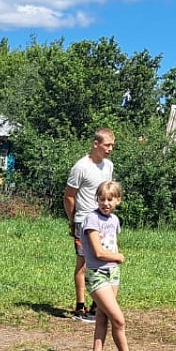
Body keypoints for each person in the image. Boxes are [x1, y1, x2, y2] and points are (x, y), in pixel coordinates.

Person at [81, 180, 155, 351]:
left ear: (118, 201)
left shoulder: (114, 220)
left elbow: (112, 243)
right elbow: (98, 251)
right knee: (119, 321)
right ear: (97, 199)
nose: (106, 203)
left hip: (113, 274)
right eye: (102, 199)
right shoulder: (91, 220)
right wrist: (118, 257)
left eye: (110, 199)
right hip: (97, 274)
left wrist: (115, 259)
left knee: (102, 318)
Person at [64, 128, 117, 322]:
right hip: (84, 221)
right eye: (107, 145)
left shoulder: (108, 166)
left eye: (112, 146)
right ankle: (80, 306)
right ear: (96, 144)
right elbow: (69, 196)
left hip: (103, 219)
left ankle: (98, 305)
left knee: (103, 261)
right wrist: (73, 220)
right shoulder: (81, 167)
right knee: (84, 263)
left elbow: (109, 191)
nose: (110, 149)